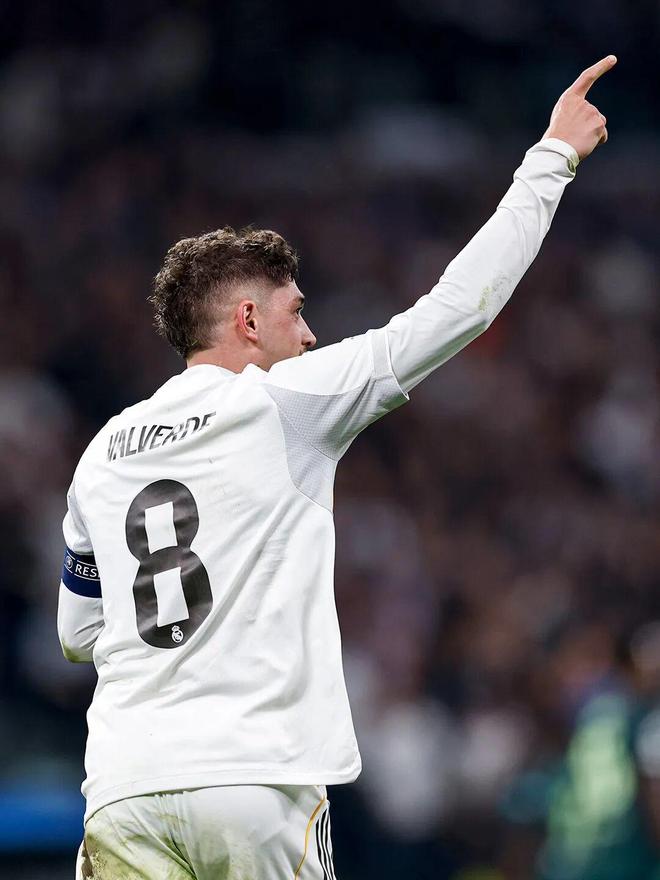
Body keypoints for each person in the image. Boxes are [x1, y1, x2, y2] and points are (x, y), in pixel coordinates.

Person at [58, 56, 616, 880]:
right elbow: (458, 310)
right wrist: (552, 158)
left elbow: (78, 635)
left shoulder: (102, 452)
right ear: (248, 320)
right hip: (254, 778)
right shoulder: (283, 401)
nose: (311, 335)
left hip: (123, 787)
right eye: (296, 312)